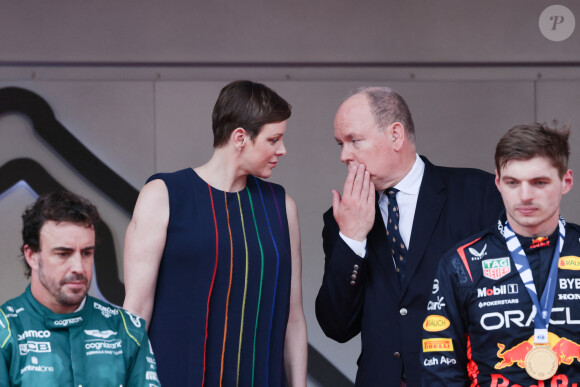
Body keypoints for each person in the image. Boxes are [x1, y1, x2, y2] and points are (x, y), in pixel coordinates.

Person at [315, 86, 504, 386]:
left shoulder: (478, 194)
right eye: (340, 143)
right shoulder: (341, 216)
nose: (343, 155)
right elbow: (337, 327)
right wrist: (352, 240)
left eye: (354, 141)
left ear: (395, 135)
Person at [123, 80, 307, 387]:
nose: (282, 150)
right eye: (273, 139)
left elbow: (294, 318)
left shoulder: (281, 207)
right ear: (240, 138)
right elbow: (136, 310)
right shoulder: (164, 195)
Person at [421, 123, 579, 386]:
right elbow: (440, 371)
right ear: (497, 182)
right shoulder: (462, 264)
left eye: (539, 182)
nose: (525, 195)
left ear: (566, 182)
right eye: (512, 182)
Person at [0, 191, 159, 387]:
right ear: (32, 256)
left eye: (86, 253)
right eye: (63, 254)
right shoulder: (5, 330)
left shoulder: (127, 329)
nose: (78, 267)